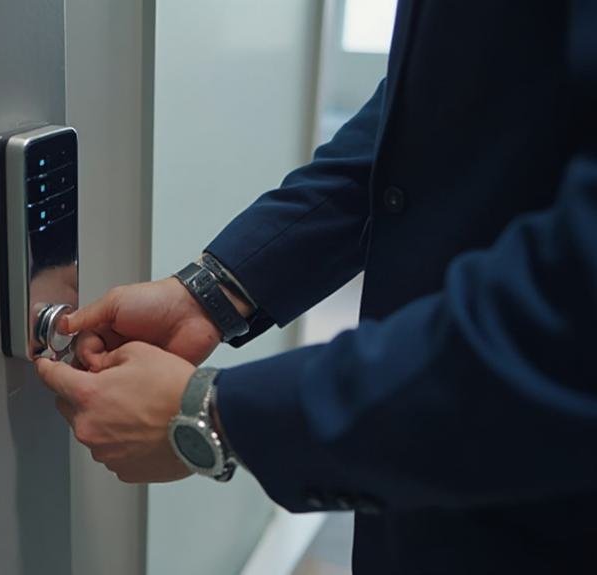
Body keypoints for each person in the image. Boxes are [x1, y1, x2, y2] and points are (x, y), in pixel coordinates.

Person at [35, 1, 597, 572]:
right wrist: (212, 293)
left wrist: (210, 416)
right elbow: (443, 106)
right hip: (427, 505)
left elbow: (570, 332)